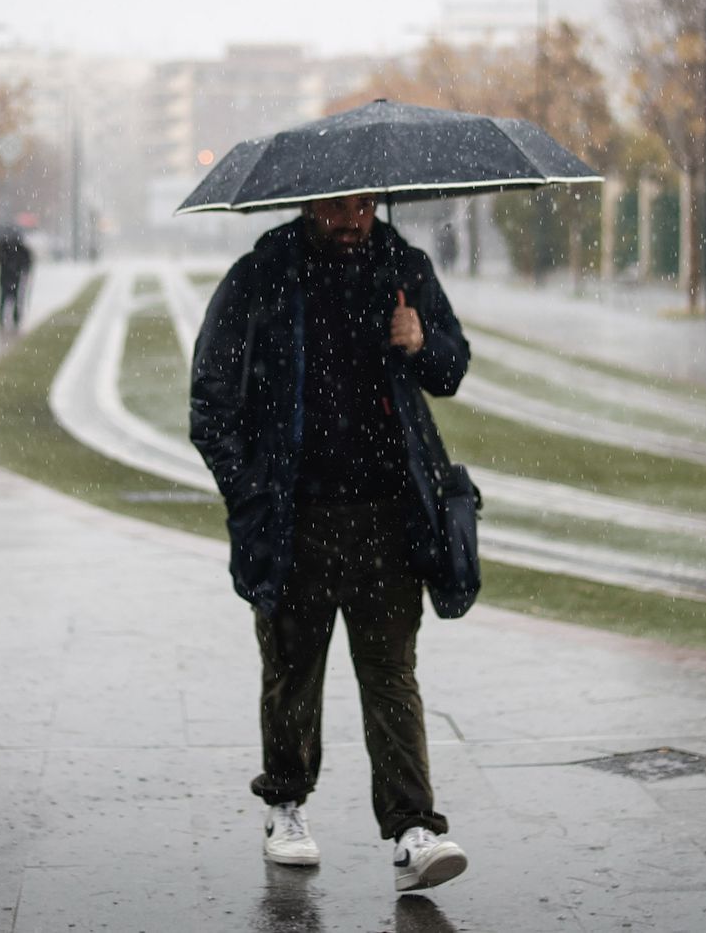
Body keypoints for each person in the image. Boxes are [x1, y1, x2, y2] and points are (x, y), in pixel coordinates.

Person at [189, 192, 471, 892]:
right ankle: (285, 805)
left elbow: (452, 369)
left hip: (390, 512)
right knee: (292, 669)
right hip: (294, 514)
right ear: (310, 202)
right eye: (340, 207)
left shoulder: (405, 267)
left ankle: (413, 829)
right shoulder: (262, 274)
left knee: (391, 673)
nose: (354, 220)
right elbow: (211, 395)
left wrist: (422, 342)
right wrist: (249, 491)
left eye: (365, 205)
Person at [0, 230, 33, 330]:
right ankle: (14, 319)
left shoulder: (4, 248)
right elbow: (27, 263)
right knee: (14, 298)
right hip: (14, 278)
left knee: (4, 299)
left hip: (7, 278)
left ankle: (5, 319)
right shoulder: (20, 248)